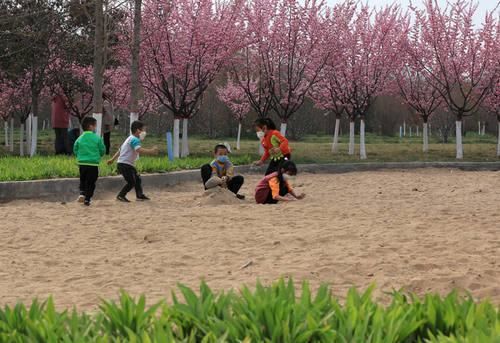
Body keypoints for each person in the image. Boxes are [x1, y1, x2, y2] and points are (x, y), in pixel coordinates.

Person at [107, 120, 158, 202]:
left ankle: (139, 195)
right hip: (125, 165)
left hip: (125, 164)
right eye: (143, 130)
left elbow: (120, 150)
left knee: (137, 179)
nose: (144, 132)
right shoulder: (134, 139)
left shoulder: (129, 138)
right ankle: (121, 195)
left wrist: (112, 159)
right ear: (138, 130)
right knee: (131, 182)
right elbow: (138, 150)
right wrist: (151, 151)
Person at [73, 116, 106, 206]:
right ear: (91, 127)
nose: (95, 128)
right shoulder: (97, 138)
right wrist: (100, 155)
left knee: (82, 179)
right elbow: (102, 150)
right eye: (95, 126)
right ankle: (87, 199)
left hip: (82, 164)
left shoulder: (80, 138)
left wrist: (79, 156)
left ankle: (82, 193)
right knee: (91, 182)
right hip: (93, 164)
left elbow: (75, 149)